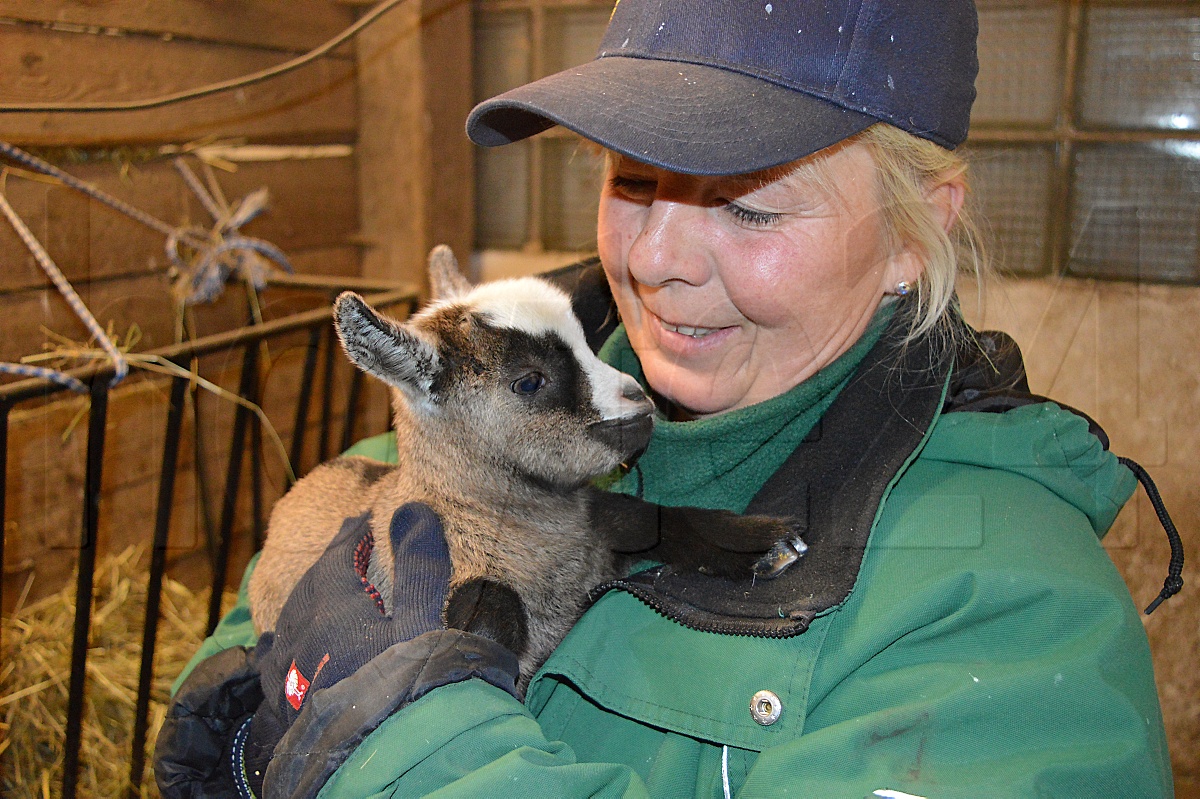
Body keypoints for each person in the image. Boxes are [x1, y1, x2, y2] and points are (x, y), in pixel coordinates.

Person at [155, 0, 1177, 796]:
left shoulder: (1010, 619)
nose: (653, 260)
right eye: (632, 183)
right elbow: (257, 627)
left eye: (746, 203)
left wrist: (398, 747)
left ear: (916, 236)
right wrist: (243, 736)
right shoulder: (495, 397)